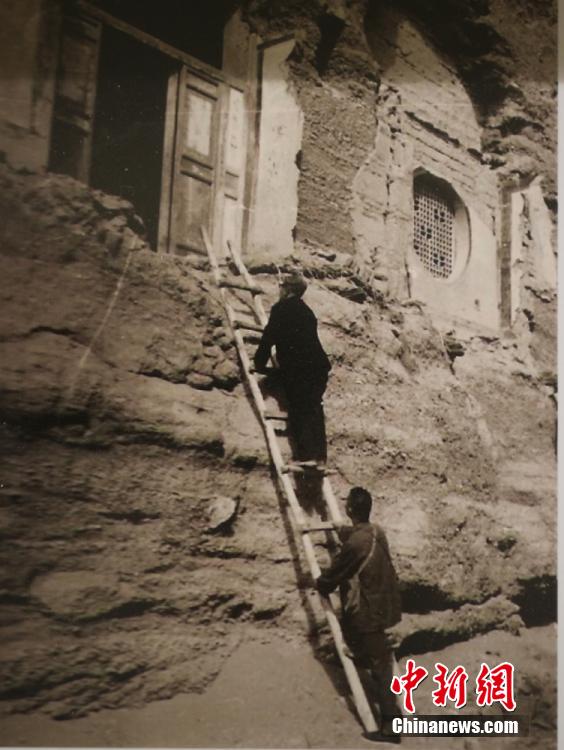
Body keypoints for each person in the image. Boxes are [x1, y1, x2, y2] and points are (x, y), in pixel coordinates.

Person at [315, 486, 402, 742]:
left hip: (371, 612)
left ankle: (389, 726)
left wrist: (321, 583)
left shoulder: (355, 544)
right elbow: (358, 540)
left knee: (382, 667)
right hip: (386, 606)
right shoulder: (377, 532)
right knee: (379, 657)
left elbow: (337, 572)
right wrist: (344, 531)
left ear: (349, 509)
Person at [254, 271, 331, 463]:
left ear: (287, 290)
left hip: (300, 369)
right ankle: (320, 456)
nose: (279, 290)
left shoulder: (281, 309)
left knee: (299, 408)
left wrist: (259, 363)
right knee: (314, 407)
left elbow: (268, 337)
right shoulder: (308, 313)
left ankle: (306, 456)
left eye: (281, 287)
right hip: (318, 367)